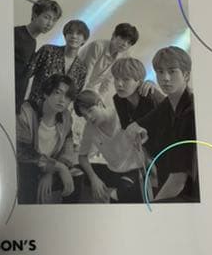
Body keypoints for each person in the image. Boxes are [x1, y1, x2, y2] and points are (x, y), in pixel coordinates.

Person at [125, 46, 199, 203]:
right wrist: (140, 131)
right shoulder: (167, 104)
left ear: (186, 75)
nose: (165, 78)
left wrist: (154, 208)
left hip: (190, 196)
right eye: (160, 71)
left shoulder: (191, 112)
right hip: (167, 184)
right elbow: (132, 128)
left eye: (172, 71)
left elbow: (178, 180)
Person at [16, 74, 80, 204]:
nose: (62, 100)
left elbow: (68, 149)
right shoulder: (26, 111)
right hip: (28, 166)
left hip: (50, 166)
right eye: (57, 93)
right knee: (28, 175)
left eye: (67, 96)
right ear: (46, 93)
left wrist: (51, 172)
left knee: (78, 175)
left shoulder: (66, 117)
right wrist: (58, 167)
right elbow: (22, 151)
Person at [75, 89, 146, 203]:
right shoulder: (90, 127)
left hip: (135, 170)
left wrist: (140, 134)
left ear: (99, 104)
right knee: (75, 171)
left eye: (90, 111)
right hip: (113, 171)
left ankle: (113, 197)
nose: (89, 117)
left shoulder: (121, 113)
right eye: (84, 115)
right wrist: (94, 179)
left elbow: (144, 133)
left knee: (123, 192)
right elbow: (82, 157)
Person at [27, 19, 90, 109]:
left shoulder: (82, 69)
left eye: (79, 34)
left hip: (56, 113)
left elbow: (73, 97)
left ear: (84, 40)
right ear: (65, 35)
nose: (74, 36)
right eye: (70, 32)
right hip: (33, 107)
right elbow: (26, 75)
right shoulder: (47, 51)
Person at [14, 0, 62, 112]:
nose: (50, 24)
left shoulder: (33, 41)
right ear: (35, 15)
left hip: (15, 101)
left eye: (54, 20)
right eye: (46, 17)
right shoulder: (16, 34)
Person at [77, 22, 139, 98]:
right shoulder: (97, 46)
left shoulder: (123, 57)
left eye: (129, 43)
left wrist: (100, 100)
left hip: (90, 88)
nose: (125, 44)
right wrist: (81, 97)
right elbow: (84, 75)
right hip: (74, 82)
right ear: (114, 35)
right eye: (123, 39)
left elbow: (108, 82)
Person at [111, 57, 165, 129]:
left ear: (139, 82)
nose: (119, 84)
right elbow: (126, 127)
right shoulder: (118, 99)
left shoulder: (152, 98)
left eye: (126, 79)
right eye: (116, 78)